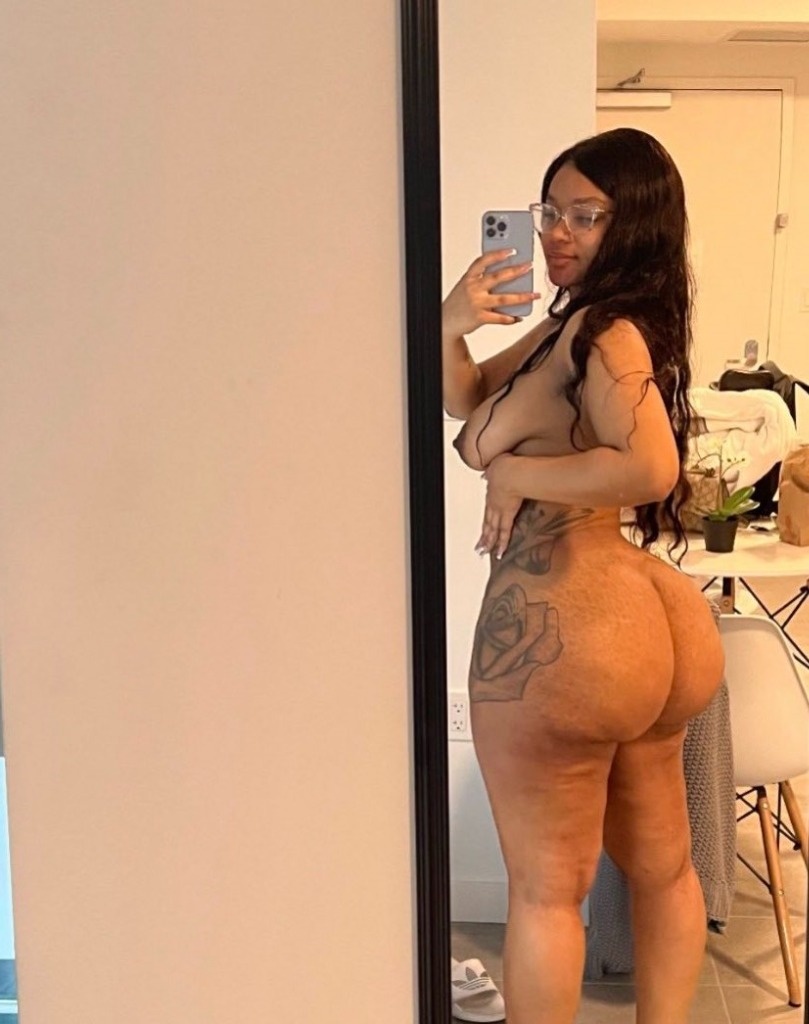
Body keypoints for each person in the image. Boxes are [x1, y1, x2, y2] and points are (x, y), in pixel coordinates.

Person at [441, 128, 725, 1024]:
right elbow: (467, 400)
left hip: (572, 621)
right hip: (648, 620)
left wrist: (517, 474)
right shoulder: (573, 327)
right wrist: (448, 324)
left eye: (585, 215)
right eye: (550, 211)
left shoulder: (605, 335)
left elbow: (649, 467)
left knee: (544, 892)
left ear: (632, 224)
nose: (557, 233)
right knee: (663, 867)